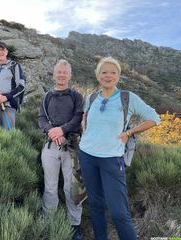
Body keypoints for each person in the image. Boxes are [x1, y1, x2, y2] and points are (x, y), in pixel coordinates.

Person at [79, 57, 161, 240]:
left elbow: (155, 118)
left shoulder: (127, 98)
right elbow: (86, 120)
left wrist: (130, 132)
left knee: (119, 212)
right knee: (95, 205)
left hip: (111, 160)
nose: (108, 75)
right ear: (98, 76)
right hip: (87, 155)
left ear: (118, 76)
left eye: (113, 72)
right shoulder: (91, 97)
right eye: (104, 72)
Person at [38, 59, 85, 240]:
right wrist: (52, 131)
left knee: (72, 188)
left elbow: (77, 117)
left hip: (71, 147)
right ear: (54, 74)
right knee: (50, 187)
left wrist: (62, 130)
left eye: (65, 72)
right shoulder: (47, 96)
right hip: (50, 146)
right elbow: (41, 118)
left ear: (70, 75)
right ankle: (48, 221)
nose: (62, 75)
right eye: (59, 72)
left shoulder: (76, 96)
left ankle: (75, 225)